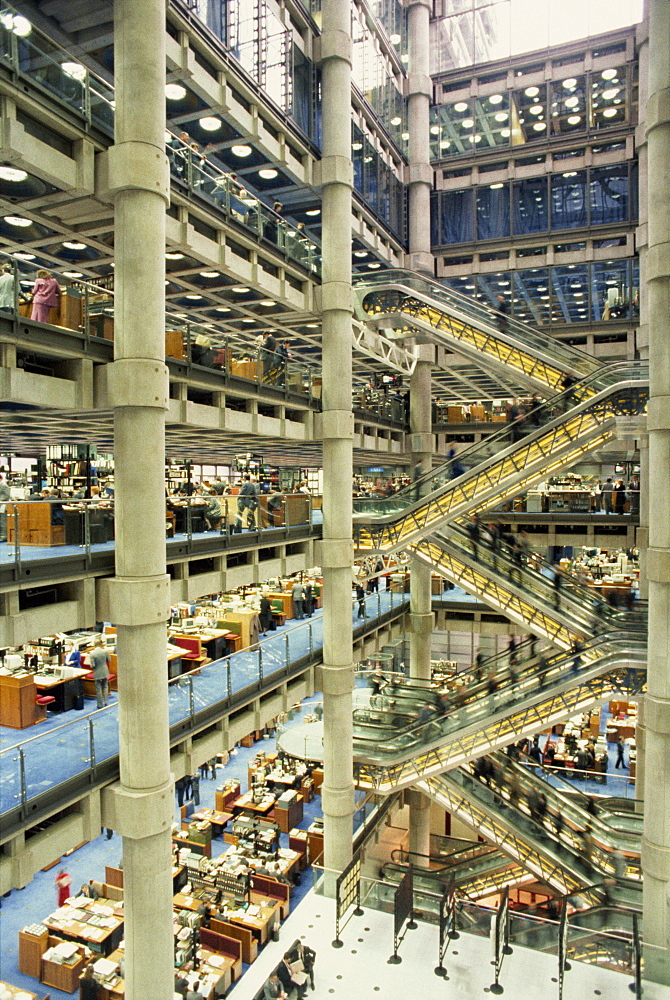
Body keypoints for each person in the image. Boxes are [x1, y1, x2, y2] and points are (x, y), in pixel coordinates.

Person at [88, 639, 111, 708]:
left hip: (97, 671)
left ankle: (100, 704)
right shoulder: (105, 651)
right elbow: (109, 660)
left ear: (94, 645)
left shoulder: (92, 653)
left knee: (98, 688)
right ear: (101, 644)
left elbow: (93, 665)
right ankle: (106, 702)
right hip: (104, 670)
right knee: (105, 686)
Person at [0, 473, 10, 542]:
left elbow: (7, 495)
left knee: (3, 521)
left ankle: (4, 536)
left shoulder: (4, 485)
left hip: (3, 505)